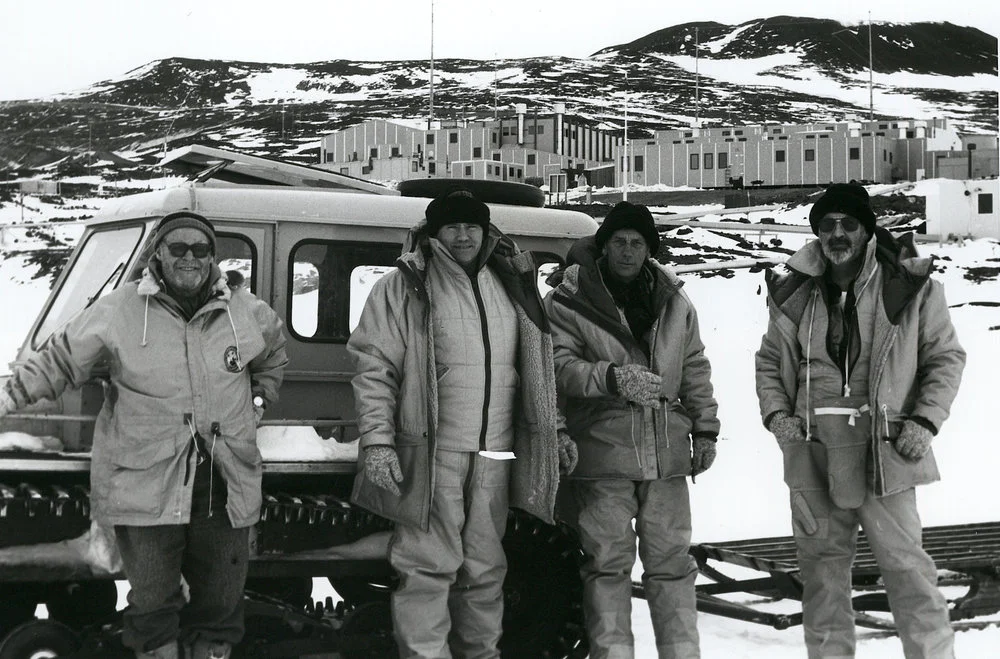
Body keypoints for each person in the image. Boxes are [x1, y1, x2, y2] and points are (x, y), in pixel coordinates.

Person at [0, 211, 289, 659]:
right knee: (152, 607)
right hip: (147, 484)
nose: (190, 257)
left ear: (213, 256)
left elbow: (273, 355)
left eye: (201, 249)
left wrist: (259, 399)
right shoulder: (121, 309)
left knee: (220, 609)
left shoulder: (245, 312)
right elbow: (59, 360)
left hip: (226, 483)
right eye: (178, 248)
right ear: (158, 253)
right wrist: (9, 396)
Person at [347, 188, 577, 659]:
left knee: (486, 572)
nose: (463, 235)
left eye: (472, 226)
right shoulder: (403, 286)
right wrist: (377, 442)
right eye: (452, 226)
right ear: (434, 233)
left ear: (486, 230)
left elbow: (536, 366)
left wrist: (554, 428)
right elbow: (374, 368)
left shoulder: (510, 283)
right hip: (434, 454)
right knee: (428, 570)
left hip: (495, 453)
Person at [755, 183, 966, 659]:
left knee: (909, 573)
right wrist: (777, 416)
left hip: (885, 450)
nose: (837, 233)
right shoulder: (794, 293)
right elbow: (769, 362)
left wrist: (925, 422)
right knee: (823, 583)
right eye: (827, 224)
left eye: (848, 223)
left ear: (867, 231)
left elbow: (945, 359)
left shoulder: (909, 286)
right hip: (813, 454)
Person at [543, 201, 720, 659]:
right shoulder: (568, 299)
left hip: (665, 455)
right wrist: (611, 377)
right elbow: (554, 366)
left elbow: (695, 366)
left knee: (672, 566)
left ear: (649, 249)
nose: (627, 251)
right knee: (607, 566)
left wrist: (705, 429)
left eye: (636, 243)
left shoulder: (675, 300)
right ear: (604, 247)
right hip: (602, 454)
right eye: (618, 242)